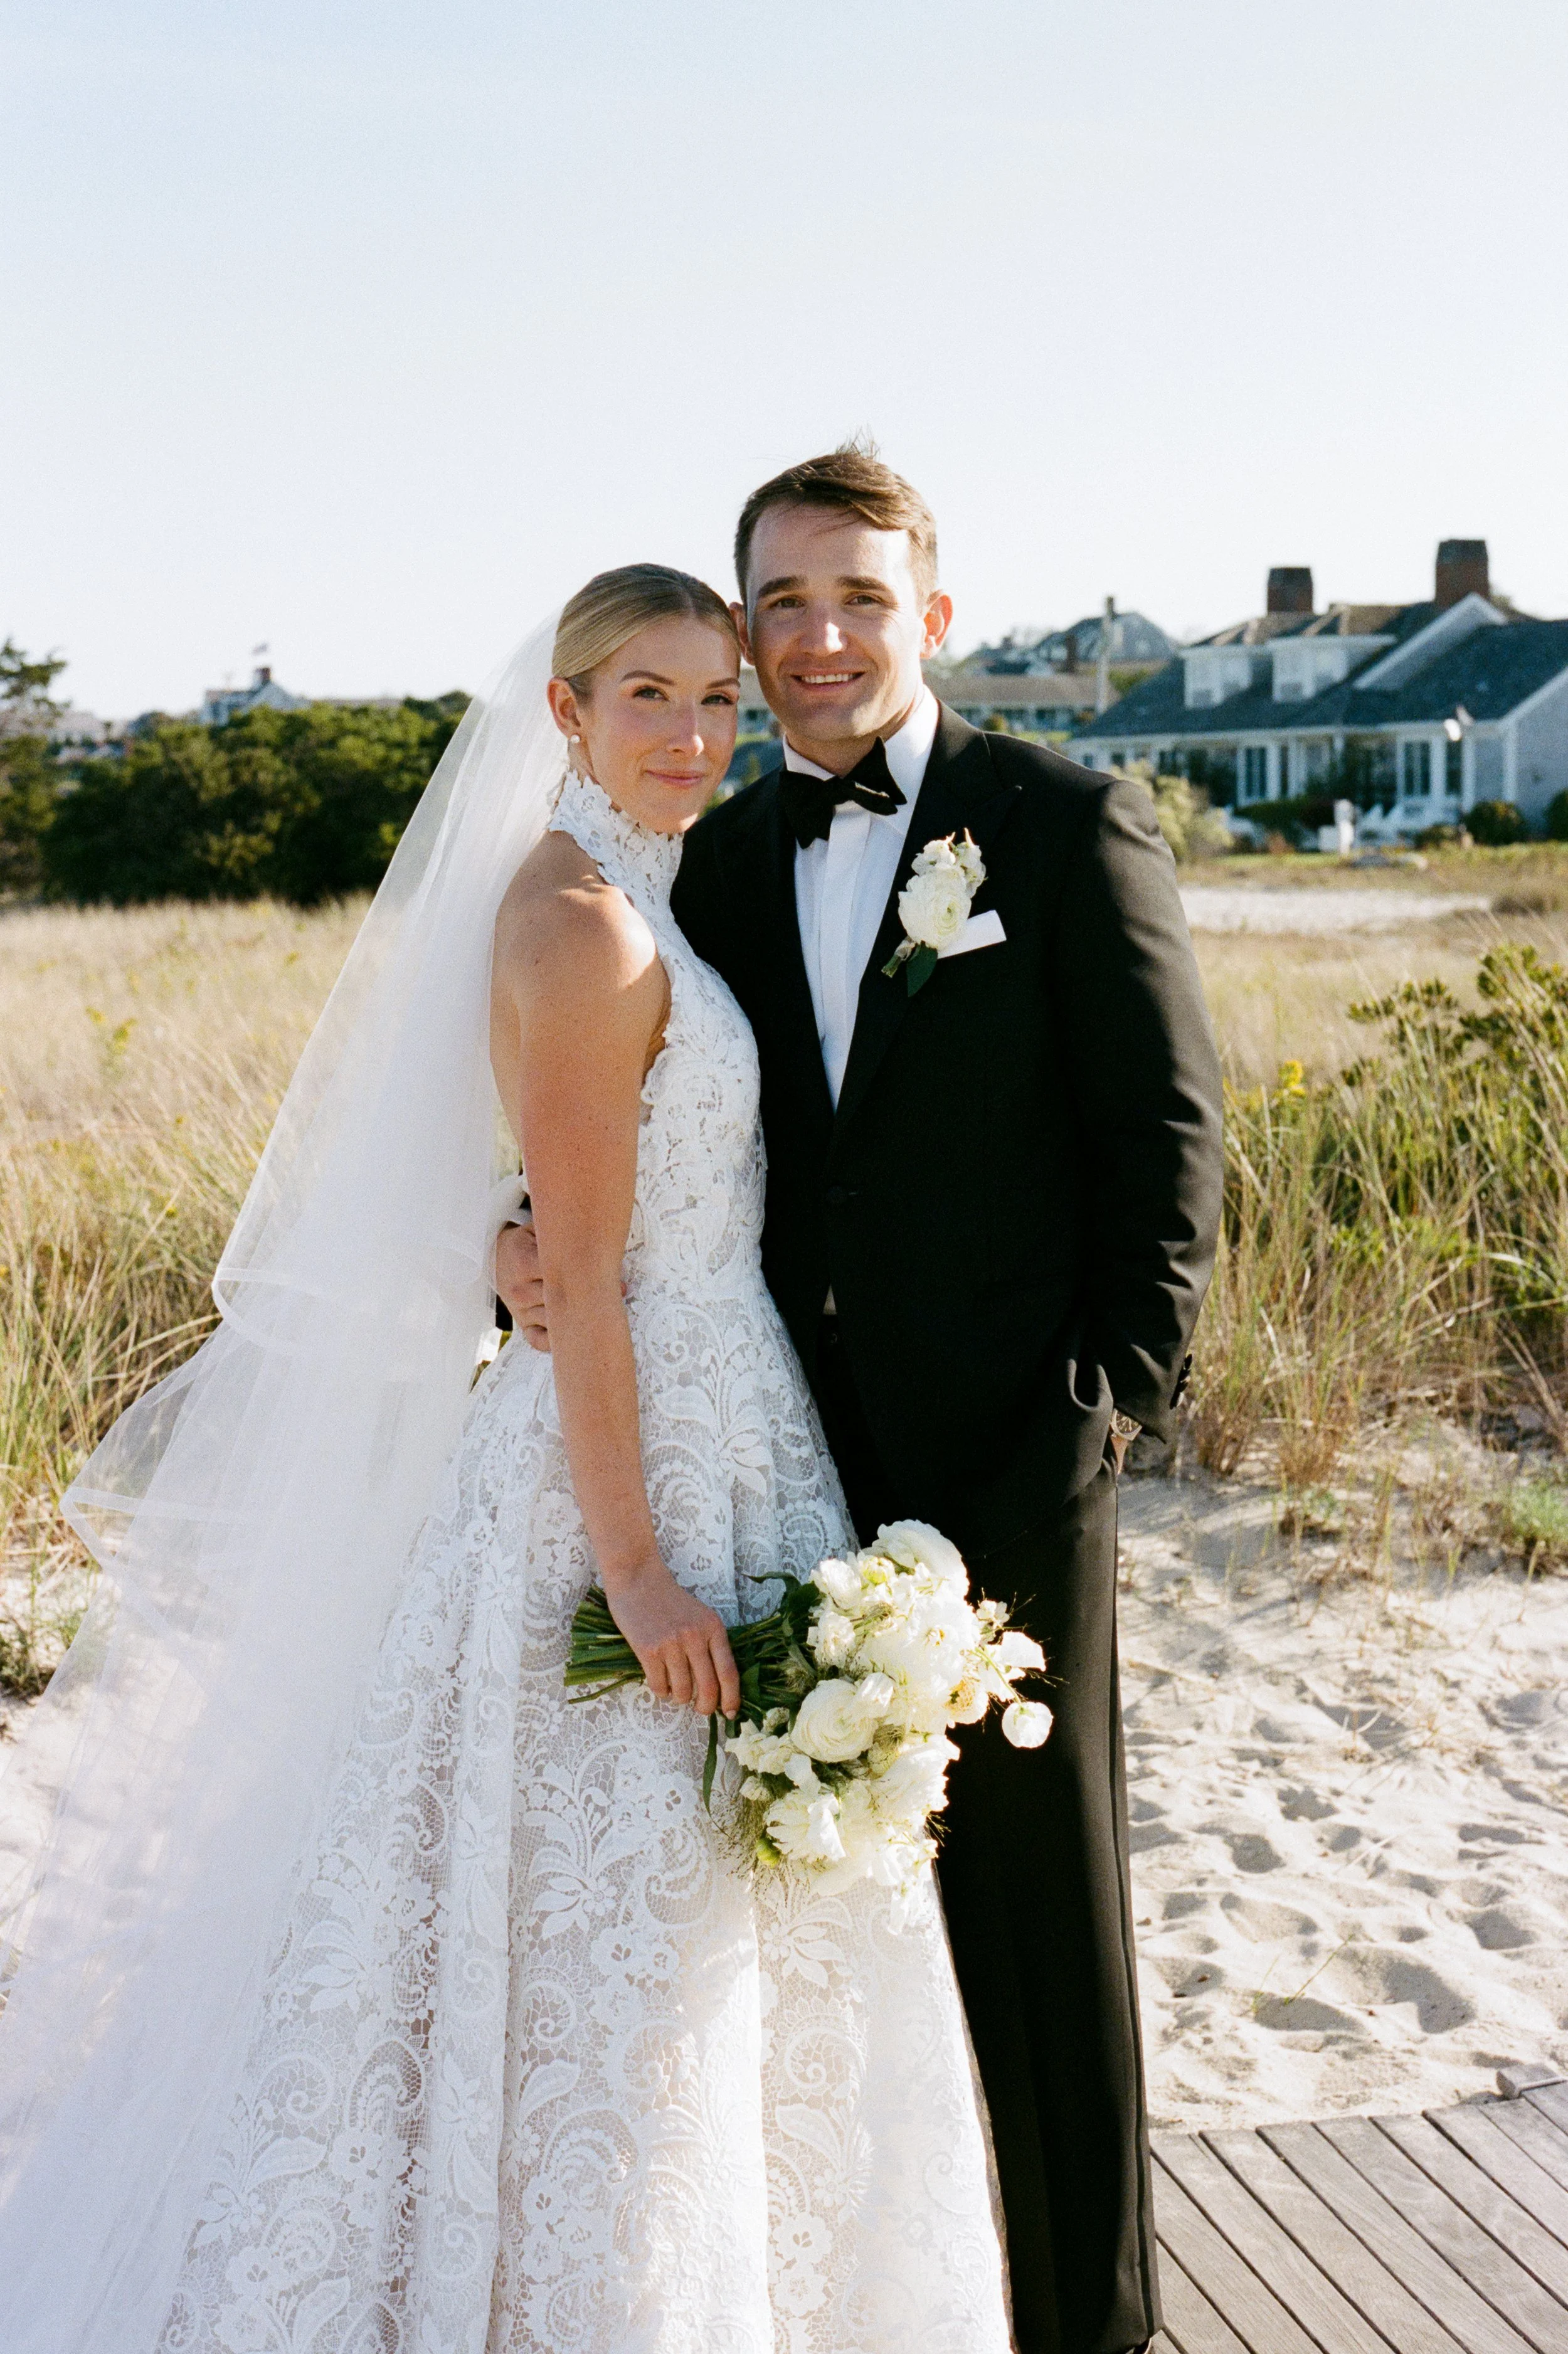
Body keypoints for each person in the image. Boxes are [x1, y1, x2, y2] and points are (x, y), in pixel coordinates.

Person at [0, 567, 1010, 2354]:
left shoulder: (619, 889)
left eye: (715, 699)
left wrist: (495, 1234)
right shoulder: (585, 925)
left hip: (723, 1416)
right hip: (626, 1464)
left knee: (647, 1924)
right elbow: (601, 1301)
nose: (695, 735)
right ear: (566, 711)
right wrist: (630, 1570)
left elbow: (547, 1198)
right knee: (619, 1932)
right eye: (649, 697)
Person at [500, 453, 1226, 2354]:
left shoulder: (1061, 822)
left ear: (935, 619)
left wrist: (1096, 1418)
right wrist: (512, 1253)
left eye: (858, 600)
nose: (816, 640)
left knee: (1032, 1904)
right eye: (781, 606)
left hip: (1009, 1455)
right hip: (773, 1453)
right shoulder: (716, 858)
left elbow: (1165, 1147)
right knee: (808, 1921)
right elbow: (636, 1131)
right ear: (744, 623)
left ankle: (1088, 2324)